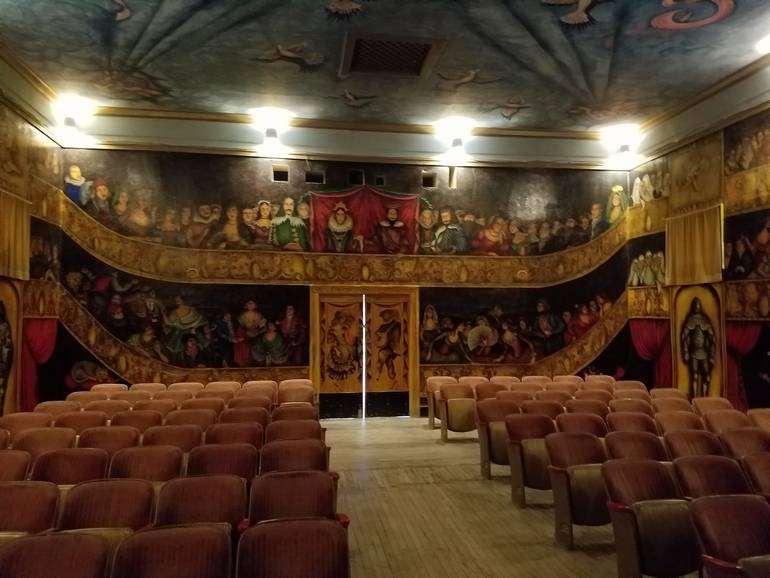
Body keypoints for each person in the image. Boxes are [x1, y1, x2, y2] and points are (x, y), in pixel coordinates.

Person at [680, 297, 717, 398]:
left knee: (707, 377)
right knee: (695, 376)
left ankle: (705, 397)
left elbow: (712, 338)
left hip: (704, 352)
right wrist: (686, 351)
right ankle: (694, 398)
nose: (697, 306)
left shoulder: (705, 320)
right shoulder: (690, 320)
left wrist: (712, 355)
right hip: (693, 353)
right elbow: (684, 336)